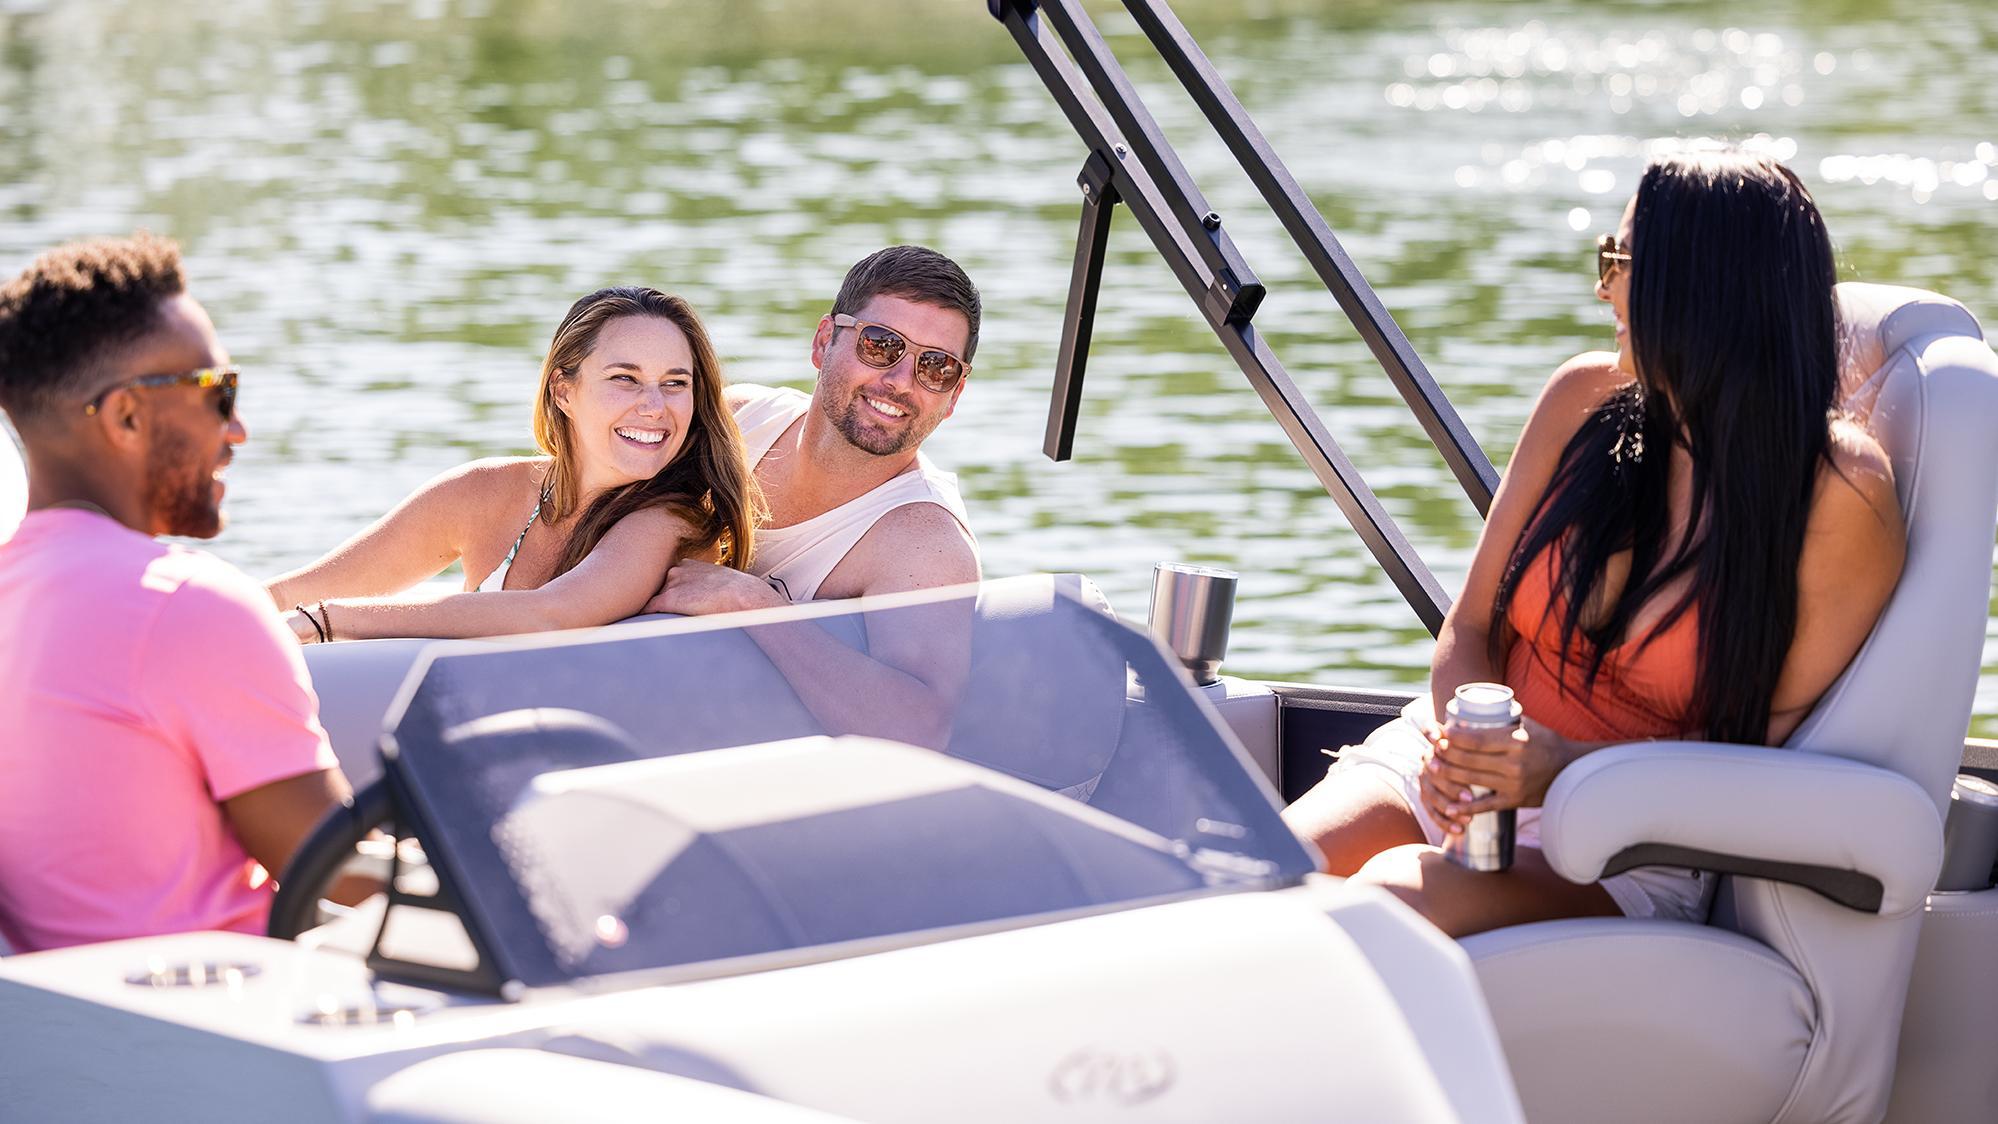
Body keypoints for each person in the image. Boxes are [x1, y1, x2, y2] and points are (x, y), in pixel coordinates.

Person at [1282, 151, 1906, 938]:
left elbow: (1763, 766)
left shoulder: (1840, 496)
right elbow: (1469, 630)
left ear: (1702, 289)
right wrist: (1466, 754)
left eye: (1621, 263)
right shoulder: (1583, 398)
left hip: (1630, 838)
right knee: (1255, 876)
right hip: (1460, 770)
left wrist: (1560, 771)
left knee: (1383, 902)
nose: (1604, 286)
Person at [0, 234, 361, 952]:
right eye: (217, 392)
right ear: (127, 416)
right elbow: (347, 874)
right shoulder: (187, 606)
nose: (238, 430)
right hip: (229, 1030)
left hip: (68, 1034)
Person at [265, 287, 758, 642]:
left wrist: (332, 621)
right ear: (564, 391)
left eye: (675, 383)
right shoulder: (487, 492)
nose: (655, 406)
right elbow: (294, 591)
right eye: (625, 378)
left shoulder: (672, 521)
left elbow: (551, 614)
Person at [644, 246, 983, 748]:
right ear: (824, 341)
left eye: (936, 368)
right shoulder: (737, 422)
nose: (900, 381)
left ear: (954, 396)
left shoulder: (924, 543)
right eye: (881, 345)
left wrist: (755, 606)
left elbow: (919, 730)